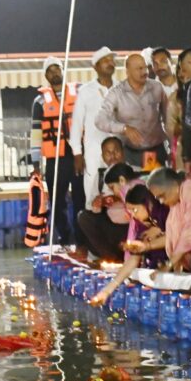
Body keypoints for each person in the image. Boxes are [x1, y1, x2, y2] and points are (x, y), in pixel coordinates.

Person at [91, 180, 170, 305]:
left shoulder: (165, 213)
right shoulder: (142, 226)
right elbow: (134, 258)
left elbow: (176, 238)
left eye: (135, 210)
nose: (133, 215)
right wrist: (107, 290)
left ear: (148, 203)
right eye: (130, 211)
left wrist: (156, 236)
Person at [30, 56, 77, 247]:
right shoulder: (40, 101)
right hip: (56, 159)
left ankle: (83, 240)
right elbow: (36, 134)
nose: (54, 73)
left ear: (63, 70)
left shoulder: (79, 92)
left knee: (82, 198)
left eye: (57, 68)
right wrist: (35, 164)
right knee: (57, 201)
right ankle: (66, 238)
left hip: (78, 155)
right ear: (46, 76)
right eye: (50, 71)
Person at [95, 53, 169, 170]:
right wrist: (124, 128)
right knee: (133, 181)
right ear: (128, 71)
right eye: (139, 68)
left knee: (158, 181)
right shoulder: (116, 93)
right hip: (131, 154)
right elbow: (99, 120)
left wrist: (173, 144)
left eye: (145, 67)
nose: (144, 71)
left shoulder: (157, 87)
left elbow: (168, 118)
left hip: (157, 151)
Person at [70, 46, 117, 205]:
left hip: (119, 151)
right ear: (95, 66)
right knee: (92, 194)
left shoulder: (122, 88)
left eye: (112, 60)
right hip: (94, 151)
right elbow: (76, 124)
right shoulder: (85, 91)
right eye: (105, 60)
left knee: (118, 193)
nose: (110, 63)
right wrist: (77, 153)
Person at [75, 137, 130, 259]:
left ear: (123, 152)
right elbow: (91, 207)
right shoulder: (100, 176)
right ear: (103, 157)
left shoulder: (134, 172)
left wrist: (119, 198)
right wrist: (97, 203)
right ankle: (111, 258)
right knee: (83, 217)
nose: (113, 156)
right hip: (109, 226)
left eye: (116, 151)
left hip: (130, 226)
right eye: (108, 153)